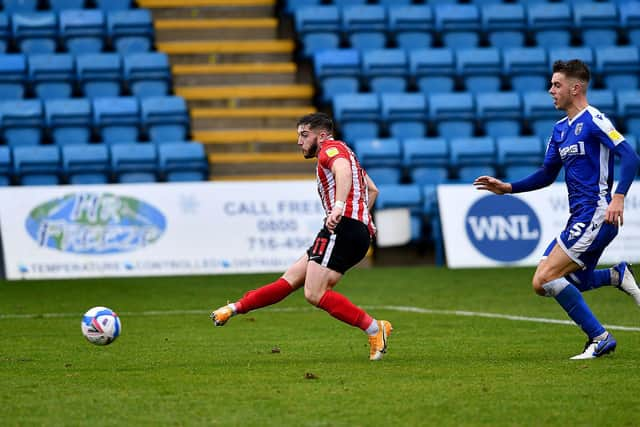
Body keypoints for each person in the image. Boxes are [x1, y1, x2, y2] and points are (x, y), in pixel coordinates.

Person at [474, 59, 640, 360]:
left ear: (575, 88)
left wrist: (618, 197)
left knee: (546, 277)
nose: (551, 90)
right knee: (553, 281)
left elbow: (630, 157)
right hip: (579, 216)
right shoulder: (560, 130)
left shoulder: (595, 120)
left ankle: (600, 338)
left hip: (597, 214)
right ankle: (615, 276)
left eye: (557, 84)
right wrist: (507, 187)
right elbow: (547, 174)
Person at [210, 112, 392, 361]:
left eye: (305, 135)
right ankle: (232, 309)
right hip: (351, 229)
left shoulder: (330, 150)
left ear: (323, 135)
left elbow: (343, 172)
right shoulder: (349, 155)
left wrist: (339, 207)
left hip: (342, 228)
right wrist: (364, 218)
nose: (299, 142)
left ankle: (374, 328)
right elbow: (373, 189)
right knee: (289, 281)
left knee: (314, 293)